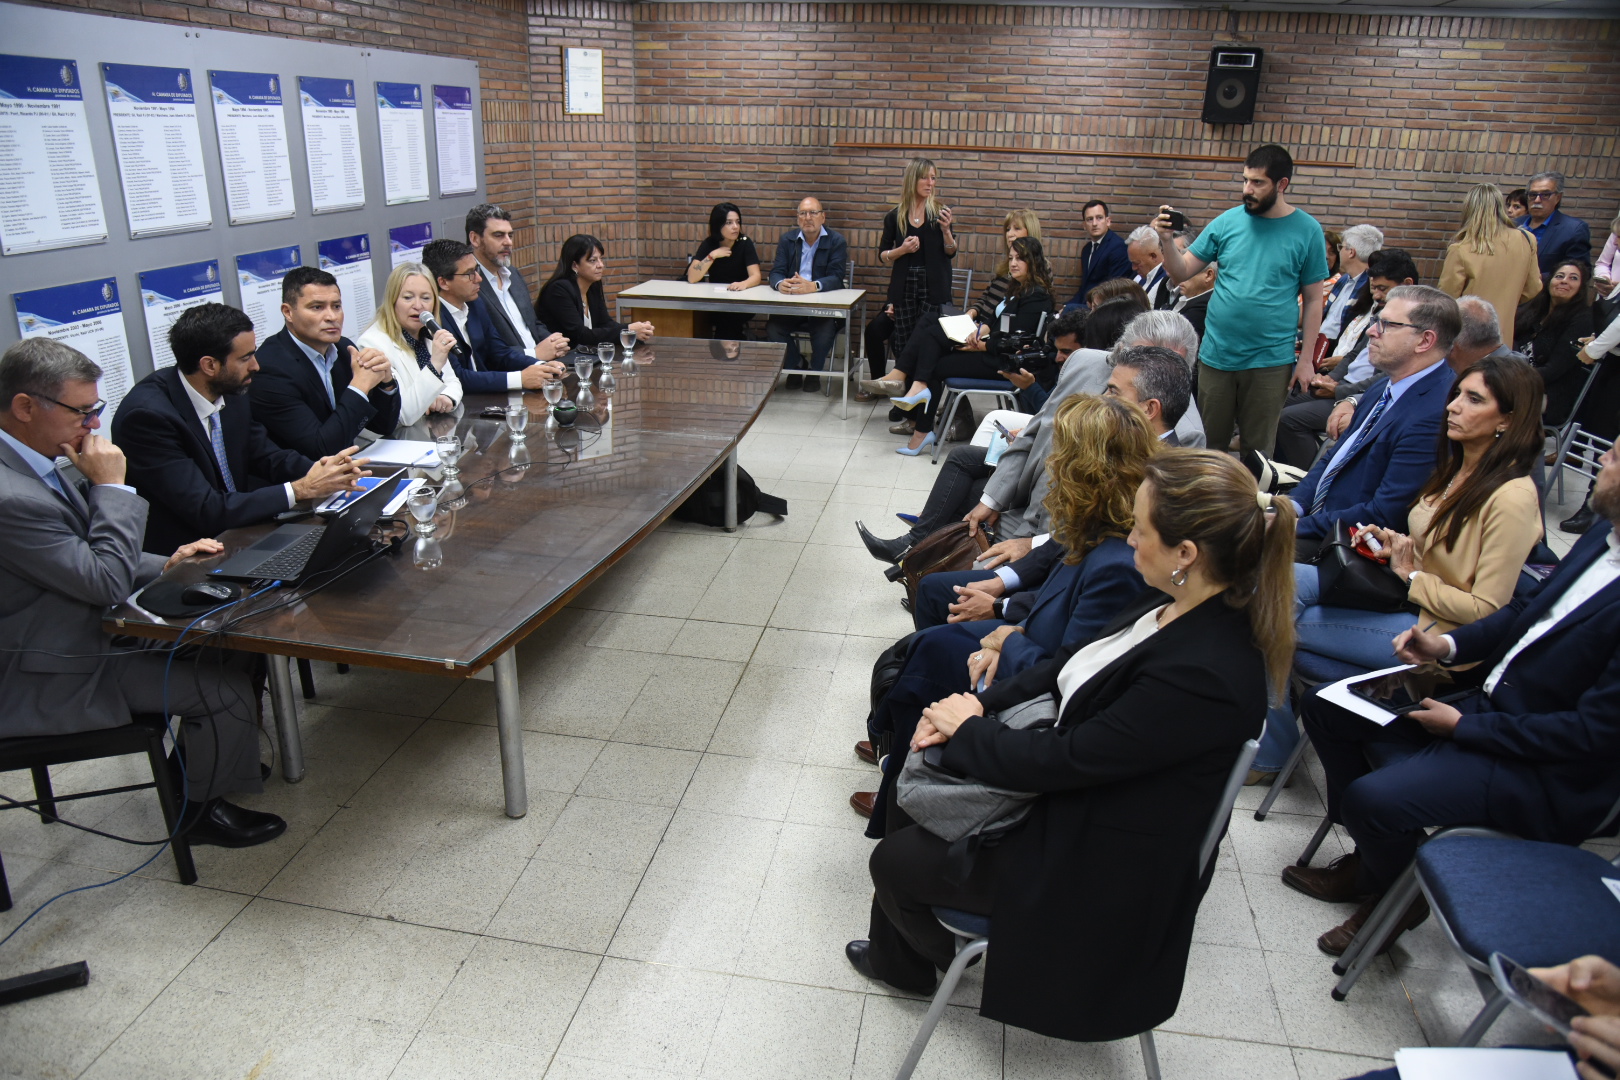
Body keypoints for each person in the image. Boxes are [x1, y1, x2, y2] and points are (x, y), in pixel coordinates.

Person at [849, 449, 1291, 1047]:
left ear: (1186, 554)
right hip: (1090, 787)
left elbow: (1069, 761)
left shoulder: (1204, 672)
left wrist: (971, 730)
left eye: (1140, 529)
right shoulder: (1178, 602)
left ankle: (932, 961)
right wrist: (979, 705)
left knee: (893, 861)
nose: (1129, 540)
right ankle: (901, 958)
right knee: (914, 781)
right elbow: (1069, 665)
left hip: (1103, 851)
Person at [1283, 435, 1620, 956]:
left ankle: (1396, 893)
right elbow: (1523, 612)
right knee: (1325, 708)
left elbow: (1591, 735)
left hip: (1541, 766)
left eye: (1615, 456)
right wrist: (1445, 645)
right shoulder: (1605, 535)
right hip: (1485, 701)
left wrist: (1465, 726)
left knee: (1371, 800)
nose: (1600, 459)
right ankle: (1381, 865)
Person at [0, 338, 285, 847]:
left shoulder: (31, 459)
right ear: (24, 407)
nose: (93, 425)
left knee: (236, 643)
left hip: (80, 627)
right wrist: (112, 488)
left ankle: (201, 768)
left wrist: (167, 562)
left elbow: (77, 557)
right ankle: (198, 814)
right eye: (82, 412)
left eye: (96, 409)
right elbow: (102, 579)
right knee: (224, 690)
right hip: (47, 665)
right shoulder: (10, 497)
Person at [855, 394, 1156, 831]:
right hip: (1025, 643)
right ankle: (895, 758)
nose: (1052, 464)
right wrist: (1007, 622)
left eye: (1061, 454)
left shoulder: (1117, 561)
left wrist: (1007, 635)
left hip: (1036, 687)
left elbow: (1075, 675)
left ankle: (899, 792)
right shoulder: (1097, 524)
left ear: (1086, 468)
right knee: (925, 646)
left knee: (928, 655)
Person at [1251, 354, 1546, 779]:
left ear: (1507, 421)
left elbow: (1487, 610)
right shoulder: (1461, 465)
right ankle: (1264, 715)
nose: (1452, 406)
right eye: (1457, 394)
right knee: (1265, 583)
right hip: (1402, 599)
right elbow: (1438, 549)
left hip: (1434, 634)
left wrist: (1412, 575)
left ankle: (1269, 751)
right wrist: (1394, 545)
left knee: (1262, 618)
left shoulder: (1511, 497)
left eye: (1474, 399)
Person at [915, 347, 1196, 631]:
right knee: (932, 589)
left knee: (935, 635)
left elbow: (1099, 593)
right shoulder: (1121, 449)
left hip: (1062, 610)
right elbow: (1069, 537)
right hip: (1049, 573)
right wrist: (1003, 580)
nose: (1103, 397)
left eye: (1113, 392)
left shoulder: (1160, 484)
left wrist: (1002, 608)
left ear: (1149, 409)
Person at [112, 303, 368, 556]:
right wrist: (301, 489)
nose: (256, 366)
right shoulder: (147, 418)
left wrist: (322, 471)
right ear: (210, 366)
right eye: (245, 358)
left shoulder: (230, 390)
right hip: (187, 553)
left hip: (240, 532)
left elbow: (265, 455)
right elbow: (205, 508)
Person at [860, 310, 1084, 560]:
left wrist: (1029, 388)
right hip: (1040, 439)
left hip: (1048, 453)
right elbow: (1047, 414)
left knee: (965, 467)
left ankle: (919, 544)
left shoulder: (1083, 375)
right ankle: (921, 548)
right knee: (967, 464)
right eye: (1058, 350)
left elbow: (1051, 416)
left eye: (1066, 352)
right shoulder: (1069, 367)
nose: (1058, 357)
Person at [1156, 144, 1331, 456]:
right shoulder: (1227, 222)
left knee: (1258, 452)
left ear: (1282, 184)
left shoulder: (1308, 231)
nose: (1247, 190)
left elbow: (1315, 300)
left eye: (1257, 182)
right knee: (1208, 448)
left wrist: (1306, 361)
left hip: (1270, 359)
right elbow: (1181, 271)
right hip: (1217, 354)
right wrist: (1167, 241)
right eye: (1245, 180)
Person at [1290, 285, 1460, 551]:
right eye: (1376, 321)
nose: (1372, 331)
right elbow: (1334, 458)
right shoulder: (1386, 384)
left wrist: (1295, 527)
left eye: (1387, 325)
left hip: (1351, 545)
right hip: (1325, 521)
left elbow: (1385, 514)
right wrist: (1292, 506)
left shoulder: (1435, 413)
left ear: (1425, 341)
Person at [864, 236, 1055, 455]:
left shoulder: (1037, 296)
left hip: (1002, 362)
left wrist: (980, 345)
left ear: (1034, 261)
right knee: (929, 321)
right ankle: (915, 393)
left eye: (1020, 258)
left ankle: (913, 399)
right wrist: (979, 331)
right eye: (1011, 258)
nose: (1013, 263)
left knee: (933, 359)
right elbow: (994, 321)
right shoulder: (1018, 289)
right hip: (989, 346)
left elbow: (1016, 341)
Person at [1273, 250, 1424, 471]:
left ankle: (1305, 476)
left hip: (1359, 396)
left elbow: (1388, 377)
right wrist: (1331, 379)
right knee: (1278, 401)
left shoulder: (1412, 325)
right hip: (1342, 385)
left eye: (1383, 289)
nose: (1377, 296)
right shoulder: (1382, 312)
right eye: (1374, 288)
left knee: (1290, 419)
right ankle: (1278, 467)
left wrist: (1339, 390)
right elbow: (1354, 354)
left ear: (1407, 284)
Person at [249, 266, 402, 460]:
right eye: (317, 307)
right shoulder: (271, 370)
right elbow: (321, 449)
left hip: (346, 469)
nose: (332, 317)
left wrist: (386, 383)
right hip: (303, 474)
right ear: (288, 312)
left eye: (336, 306)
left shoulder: (343, 348)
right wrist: (360, 386)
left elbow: (383, 426)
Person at [422, 238, 567, 394]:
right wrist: (520, 378)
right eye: (469, 274)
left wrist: (541, 366)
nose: (479, 278)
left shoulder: (475, 304)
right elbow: (458, 377)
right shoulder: (433, 320)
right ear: (444, 282)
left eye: (476, 270)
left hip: (488, 396)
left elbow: (499, 352)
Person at [357, 263, 466, 429]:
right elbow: (403, 414)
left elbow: (452, 381)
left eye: (426, 298)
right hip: (394, 438)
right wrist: (435, 364)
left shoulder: (427, 332)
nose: (418, 306)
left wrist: (446, 397)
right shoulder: (373, 343)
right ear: (392, 301)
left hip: (429, 431)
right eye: (408, 297)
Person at [1439, 183, 1543, 346]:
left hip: (1467, 337)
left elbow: (1447, 300)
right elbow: (1533, 288)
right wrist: (1507, 300)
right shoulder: (1526, 239)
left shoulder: (1461, 249)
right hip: (1503, 335)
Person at [877, 158, 958, 363]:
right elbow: (883, 255)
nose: (930, 183)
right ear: (912, 179)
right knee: (902, 338)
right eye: (924, 178)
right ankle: (904, 379)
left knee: (925, 337)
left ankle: (919, 380)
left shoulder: (939, 213)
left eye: (933, 178)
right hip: (904, 284)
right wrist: (902, 250)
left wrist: (946, 231)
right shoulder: (895, 216)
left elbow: (951, 252)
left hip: (933, 284)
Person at [766, 197, 850, 393]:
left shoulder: (836, 241)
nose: (808, 217)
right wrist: (780, 284)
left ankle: (814, 372)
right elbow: (776, 271)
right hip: (792, 304)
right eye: (803, 213)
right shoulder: (788, 240)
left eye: (813, 213)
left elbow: (837, 276)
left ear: (823, 217)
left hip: (821, 306)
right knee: (773, 328)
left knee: (824, 331)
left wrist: (813, 286)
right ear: (797, 218)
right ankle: (796, 365)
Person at [535, 233, 654, 348]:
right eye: (593, 260)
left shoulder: (592, 285)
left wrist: (636, 329)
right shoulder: (558, 290)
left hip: (585, 354)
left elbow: (605, 323)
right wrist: (627, 331)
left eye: (601, 259)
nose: (600, 265)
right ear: (575, 265)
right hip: (561, 356)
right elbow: (580, 335)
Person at [1518, 259, 1596, 427]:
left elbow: (1554, 370)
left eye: (1573, 278)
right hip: (1515, 379)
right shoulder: (1535, 308)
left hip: (1549, 393)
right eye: (1559, 276)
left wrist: (1512, 379)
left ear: (1581, 288)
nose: (1564, 281)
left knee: (1495, 396)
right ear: (1549, 281)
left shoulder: (1582, 320)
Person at [466, 203, 545, 354]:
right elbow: (485, 350)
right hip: (516, 366)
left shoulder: (513, 274)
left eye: (510, 235)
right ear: (475, 239)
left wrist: (553, 342)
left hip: (544, 362)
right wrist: (534, 353)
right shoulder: (468, 284)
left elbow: (533, 324)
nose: (508, 242)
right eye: (498, 235)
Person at [686, 201, 763, 341]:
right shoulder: (710, 243)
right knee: (720, 320)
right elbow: (692, 277)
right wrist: (712, 255)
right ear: (718, 225)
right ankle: (732, 347)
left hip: (740, 300)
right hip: (717, 301)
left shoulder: (745, 242)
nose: (735, 227)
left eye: (737, 222)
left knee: (728, 321)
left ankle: (725, 349)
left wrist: (743, 284)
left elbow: (756, 276)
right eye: (729, 223)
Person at [1060, 199, 1132, 312]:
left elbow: (1114, 290)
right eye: (1090, 219)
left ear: (1108, 221)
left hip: (1105, 309)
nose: (1094, 223)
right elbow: (1084, 288)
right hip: (1087, 306)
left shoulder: (1118, 247)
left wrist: (1071, 309)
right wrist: (1066, 306)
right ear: (1084, 225)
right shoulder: (1087, 250)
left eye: (1099, 218)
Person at [1321, 224, 1383, 346]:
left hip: (1335, 349)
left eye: (1341, 247)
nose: (1339, 252)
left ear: (1351, 252)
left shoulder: (1369, 288)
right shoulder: (1343, 279)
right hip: (1320, 343)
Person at [1523, 170, 1593, 276]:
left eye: (1545, 195)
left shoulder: (1573, 230)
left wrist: (1530, 280)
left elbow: (1580, 272)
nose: (1537, 200)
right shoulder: (1513, 224)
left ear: (1558, 198)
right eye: (1533, 194)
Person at [1126, 225, 1172, 308]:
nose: (1134, 268)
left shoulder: (1166, 280)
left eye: (1137, 263)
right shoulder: (1139, 277)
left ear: (1153, 256)